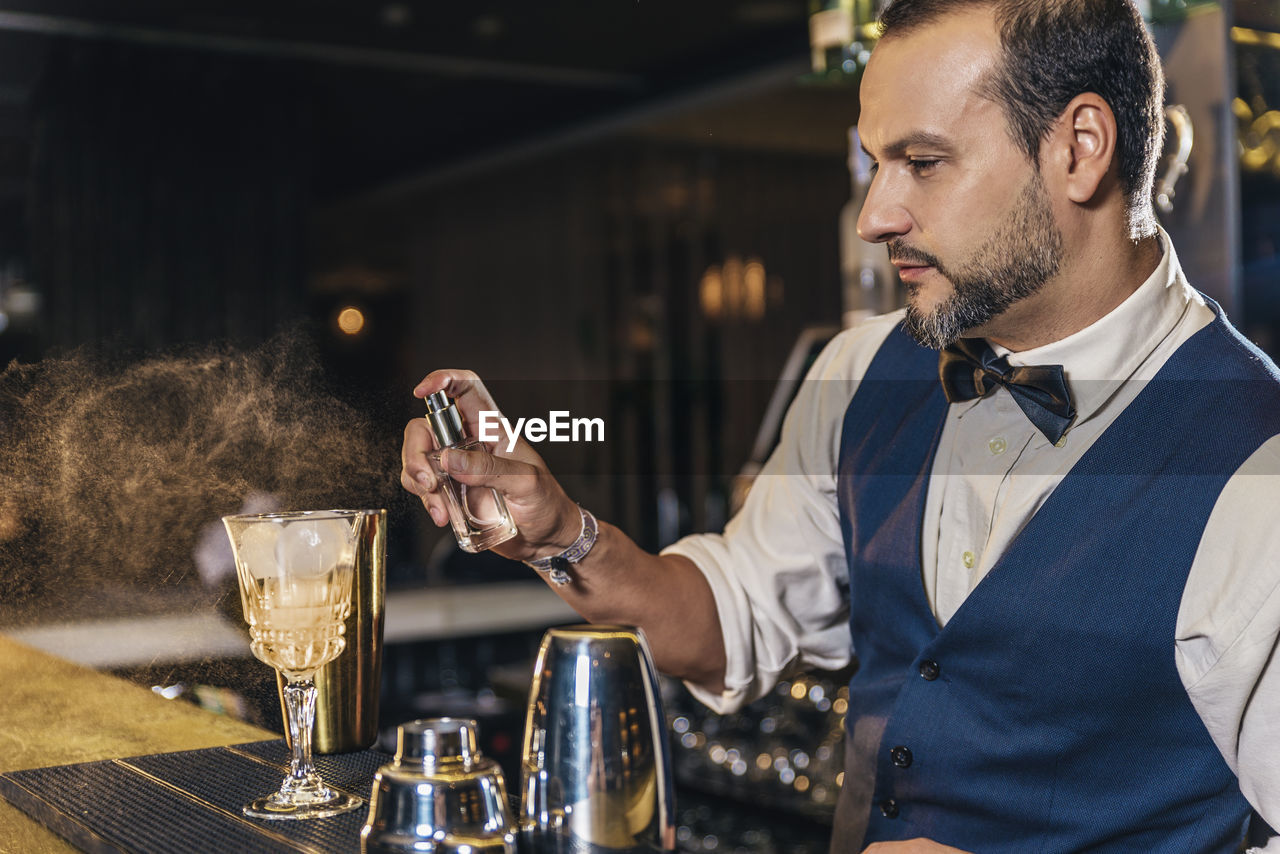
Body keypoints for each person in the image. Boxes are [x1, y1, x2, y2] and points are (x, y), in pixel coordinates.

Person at [401, 0, 1280, 850]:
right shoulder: (857, 373)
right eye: (875, 165)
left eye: (924, 162)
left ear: (1079, 149)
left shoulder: (1256, 462)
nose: (874, 218)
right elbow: (728, 616)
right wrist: (559, 534)